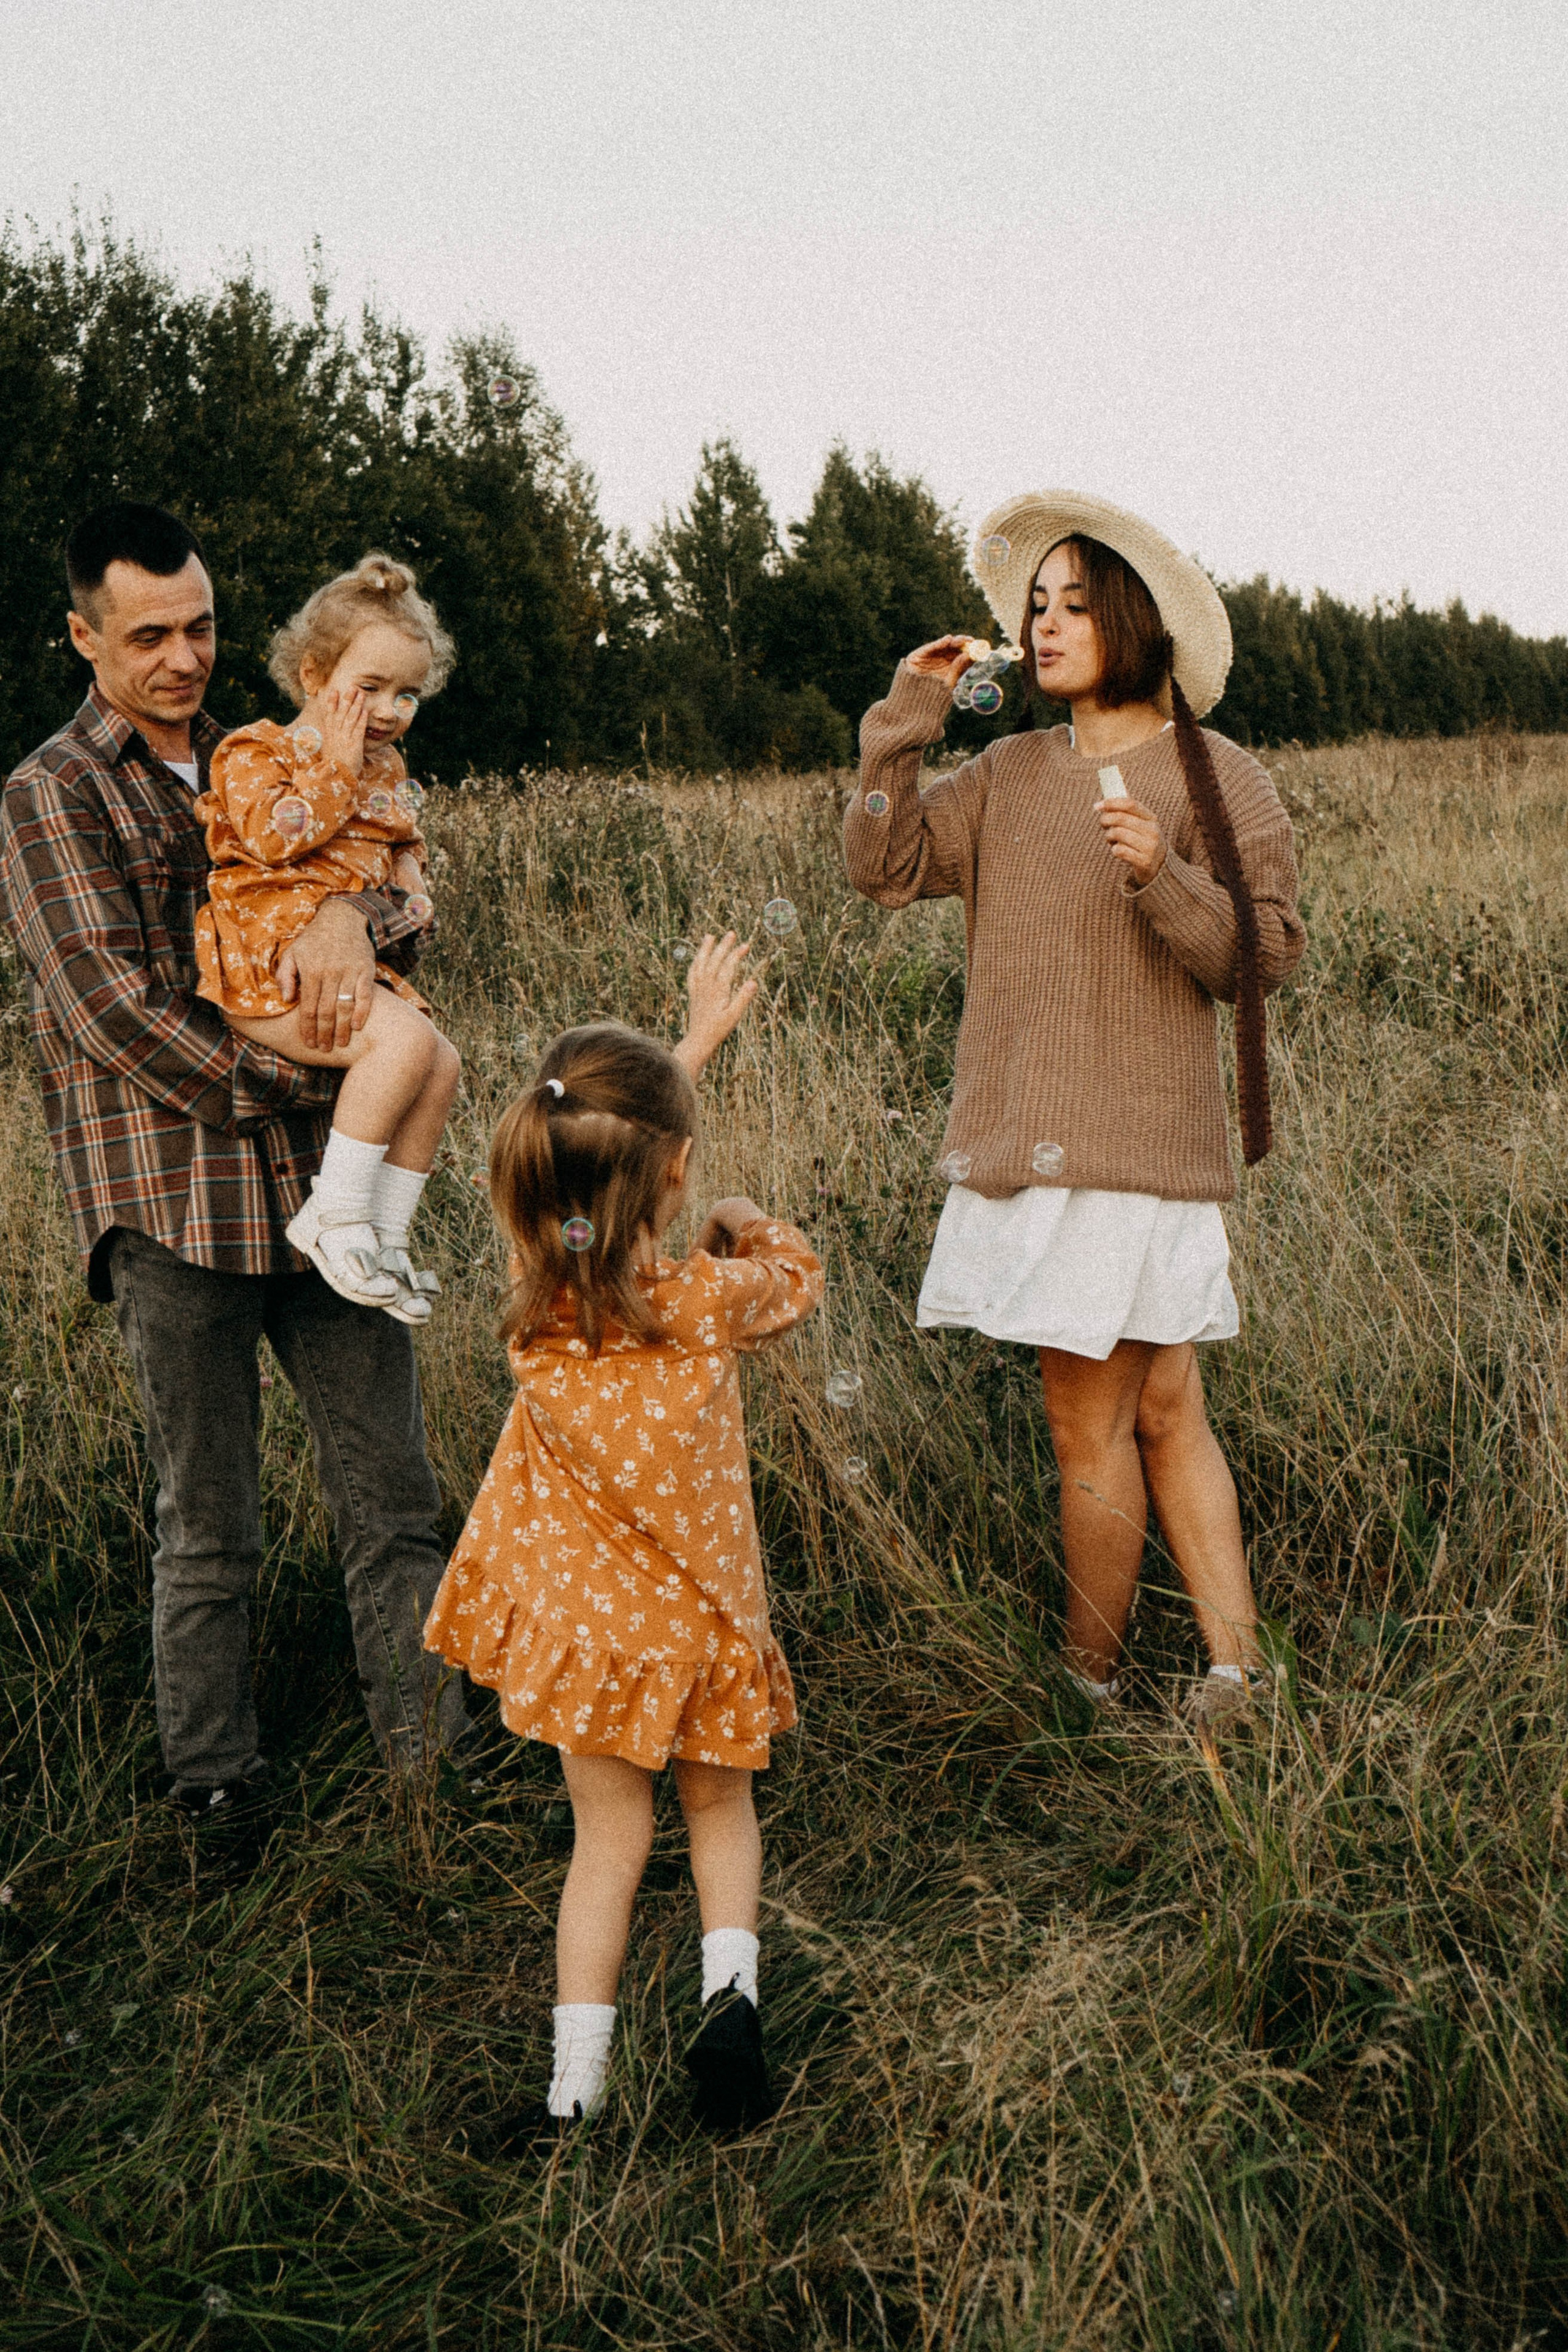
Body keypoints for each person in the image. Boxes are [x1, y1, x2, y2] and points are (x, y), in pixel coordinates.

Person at [0, 502, 471, 1853]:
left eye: (200, 626)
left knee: (391, 1492)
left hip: (332, 1193)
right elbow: (110, 1010)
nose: (181, 657)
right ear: (82, 636)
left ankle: (431, 1763)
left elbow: (406, 908)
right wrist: (313, 1073)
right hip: (173, 1200)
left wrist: (344, 911)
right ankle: (214, 1784)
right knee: (207, 1521)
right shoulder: (52, 793)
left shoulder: (273, 753)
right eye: (147, 634)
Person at [844, 491, 1305, 1728]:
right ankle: (1232, 1676)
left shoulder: (1217, 778)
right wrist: (904, 723)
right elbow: (880, 870)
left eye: (1073, 604)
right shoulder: (1004, 773)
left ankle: (1083, 1688)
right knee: (1160, 1409)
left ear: (1136, 618)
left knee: (1094, 1427)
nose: (1041, 627)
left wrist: (1163, 879)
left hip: (1134, 1153)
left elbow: (1261, 959)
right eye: (1031, 608)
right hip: (1041, 1145)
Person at [423, 938, 823, 2141]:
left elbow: (586, 1149)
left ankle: (575, 2094)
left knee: (605, 1843)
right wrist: (746, 1222)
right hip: (706, 1628)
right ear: (675, 1174)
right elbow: (798, 1275)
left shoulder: (536, 1302)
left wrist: (680, 1056)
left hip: (594, 1644)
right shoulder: (710, 1303)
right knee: (718, 1811)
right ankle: (730, 2009)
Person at [196, 554, 459, 1322]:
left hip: (343, 970)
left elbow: (397, 834)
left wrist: (410, 871)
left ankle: (384, 1234)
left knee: (441, 1063)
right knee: (405, 1048)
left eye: (408, 693)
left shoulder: (386, 767)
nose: (388, 710)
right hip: (263, 968)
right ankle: (331, 1217)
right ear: (314, 676)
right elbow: (279, 841)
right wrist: (338, 767)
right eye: (369, 687)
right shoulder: (256, 752)